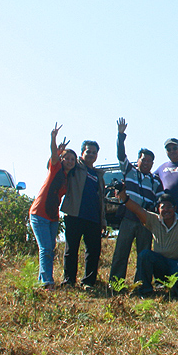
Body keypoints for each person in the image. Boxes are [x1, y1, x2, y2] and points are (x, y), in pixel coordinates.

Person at [118, 179, 178, 297]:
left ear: (175, 208)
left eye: (169, 207)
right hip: (160, 264)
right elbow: (137, 210)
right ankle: (145, 291)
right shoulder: (153, 220)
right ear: (158, 209)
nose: (166, 210)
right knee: (144, 255)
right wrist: (124, 197)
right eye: (163, 207)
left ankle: (174, 290)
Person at [109, 117, 164, 287]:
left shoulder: (155, 180)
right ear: (137, 160)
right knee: (121, 252)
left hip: (145, 221)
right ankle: (116, 284)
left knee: (144, 253)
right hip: (128, 217)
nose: (146, 163)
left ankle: (141, 284)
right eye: (143, 160)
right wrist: (120, 136)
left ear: (152, 163)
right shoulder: (130, 171)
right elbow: (120, 155)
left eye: (149, 161)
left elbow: (161, 199)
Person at [29, 123, 77, 289]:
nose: (70, 161)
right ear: (62, 159)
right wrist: (53, 138)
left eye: (73, 159)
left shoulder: (68, 178)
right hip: (39, 213)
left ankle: (42, 279)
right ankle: (47, 282)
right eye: (67, 158)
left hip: (53, 216)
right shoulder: (55, 168)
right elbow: (53, 155)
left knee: (50, 248)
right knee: (45, 248)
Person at [61, 139, 106, 289]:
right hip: (75, 215)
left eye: (94, 152)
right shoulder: (75, 167)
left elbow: (101, 200)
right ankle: (69, 281)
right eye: (88, 152)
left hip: (93, 218)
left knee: (93, 252)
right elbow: (57, 164)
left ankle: (88, 282)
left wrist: (103, 221)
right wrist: (58, 151)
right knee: (71, 250)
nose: (91, 155)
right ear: (82, 153)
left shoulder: (98, 175)